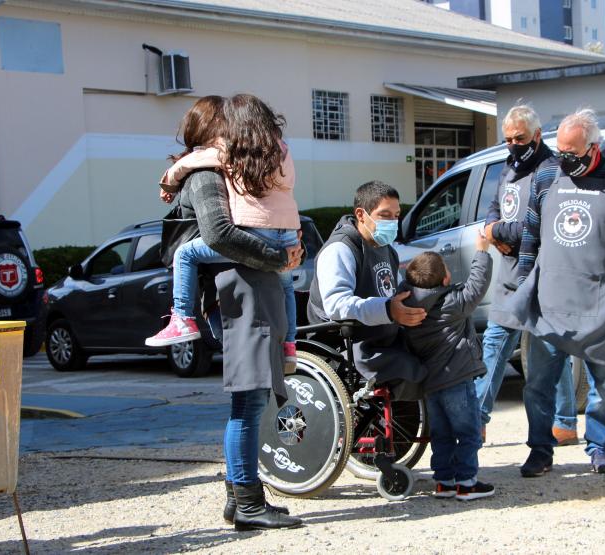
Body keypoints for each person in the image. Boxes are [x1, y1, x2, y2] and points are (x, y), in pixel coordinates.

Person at [493, 108, 605, 477]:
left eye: (572, 153)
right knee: (538, 382)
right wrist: (523, 287)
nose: (564, 160)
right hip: (549, 301)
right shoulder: (548, 176)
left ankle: (600, 446)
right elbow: (531, 236)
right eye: (560, 150)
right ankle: (540, 450)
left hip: (602, 301)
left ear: (594, 147)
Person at [170, 96, 304, 530]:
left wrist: (283, 258)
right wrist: (277, 257)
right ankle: (248, 502)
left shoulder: (229, 168)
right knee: (247, 403)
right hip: (242, 296)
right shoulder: (209, 172)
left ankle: (238, 497)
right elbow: (220, 233)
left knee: (251, 401)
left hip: (250, 294)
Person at [146, 94, 302, 367]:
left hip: (255, 231)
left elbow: (194, 160)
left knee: (184, 254)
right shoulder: (283, 150)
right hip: (288, 231)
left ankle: (182, 317)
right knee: (287, 286)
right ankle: (290, 346)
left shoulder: (232, 151)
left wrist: (170, 178)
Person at [478, 104, 578, 445]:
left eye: (519, 138)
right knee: (493, 345)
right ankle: (476, 419)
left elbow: (543, 224)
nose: (513, 144)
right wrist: (493, 229)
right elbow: (495, 207)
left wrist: (498, 234)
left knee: (551, 350)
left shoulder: (553, 170)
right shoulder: (510, 166)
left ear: (536, 135)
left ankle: (564, 422)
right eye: (508, 139)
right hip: (509, 277)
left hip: (542, 276)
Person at [308, 181, 428, 397]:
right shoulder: (340, 249)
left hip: (383, 336)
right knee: (414, 368)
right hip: (349, 344)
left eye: (396, 215)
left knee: (444, 351)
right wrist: (389, 310)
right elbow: (337, 305)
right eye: (385, 215)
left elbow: (396, 294)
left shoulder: (387, 250)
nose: (393, 222)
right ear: (361, 214)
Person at [398, 233, 494, 500]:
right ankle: (467, 482)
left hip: (430, 385)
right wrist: (482, 251)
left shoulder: (406, 306)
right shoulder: (451, 303)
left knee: (441, 435)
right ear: (445, 280)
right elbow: (478, 284)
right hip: (458, 381)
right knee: (468, 432)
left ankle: (444, 482)